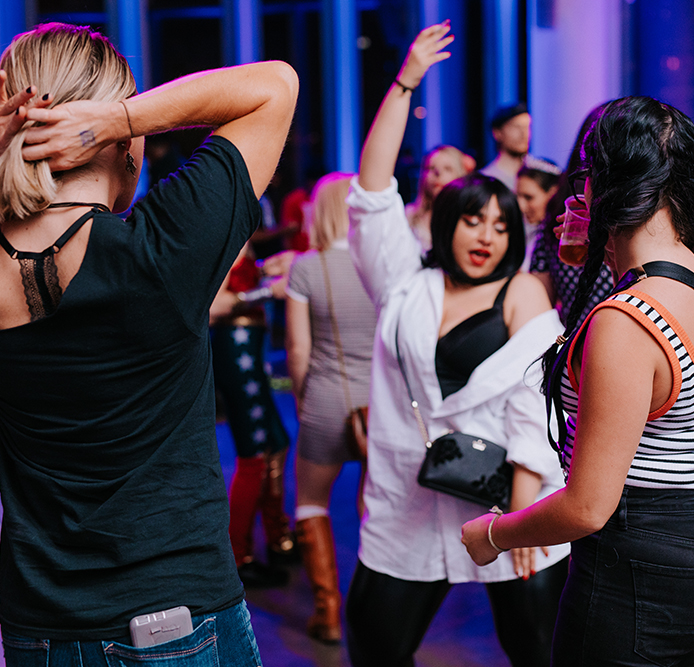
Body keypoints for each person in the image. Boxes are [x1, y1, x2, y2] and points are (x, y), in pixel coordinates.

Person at [0, 22, 296, 662]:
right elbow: (275, 85)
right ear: (123, 145)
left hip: (42, 631)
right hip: (179, 622)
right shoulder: (165, 250)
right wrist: (118, 117)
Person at [463, 95, 694, 666]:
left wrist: (494, 533)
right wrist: (593, 248)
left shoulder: (624, 323)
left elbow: (588, 507)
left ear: (606, 186)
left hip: (638, 569)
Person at [345, 23, 570, 667]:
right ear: (447, 221)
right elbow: (371, 190)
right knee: (375, 644)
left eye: (502, 226)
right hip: (406, 504)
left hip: (511, 501)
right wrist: (405, 80)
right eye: (473, 220)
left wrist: (525, 513)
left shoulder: (523, 290)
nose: (486, 237)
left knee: (537, 650)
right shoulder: (403, 282)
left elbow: (535, 403)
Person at [284, 171, 378, 643]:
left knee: (309, 503)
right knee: (374, 506)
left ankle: (328, 611)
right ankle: (373, 606)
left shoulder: (305, 267)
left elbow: (298, 351)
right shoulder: (382, 268)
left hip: (324, 398)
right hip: (379, 404)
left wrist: (304, 399)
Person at [209, 242, 296, 589]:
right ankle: (238, 556)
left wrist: (261, 269)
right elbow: (213, 304)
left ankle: (277, 541)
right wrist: (265, 290)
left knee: (276, 442)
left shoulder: (236, 223)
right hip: (234, 348)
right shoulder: (220, 224)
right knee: (254, 455)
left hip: (246, 349)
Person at [529, 103, 614, 327]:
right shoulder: (627, 216)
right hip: (615, 335)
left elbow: (538, 302)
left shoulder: (557, 203)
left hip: (571, 338)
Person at [405, 144, 475, 249]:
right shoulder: (410, 216)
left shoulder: (470, 219)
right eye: (431, 168)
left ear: (461, 175)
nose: (438, 173)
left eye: (448, 169)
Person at [515, 155, 560, 271]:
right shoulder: (523, 232)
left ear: (553, 193)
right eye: (517, 196)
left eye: (528, 197)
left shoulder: (559, 238)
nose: (521, 206)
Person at [480, 102, 532, 190]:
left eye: (527, 127)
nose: (524, 134)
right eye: (516, 127)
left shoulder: (538, 171)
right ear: (497, 133)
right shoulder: (487, 178)